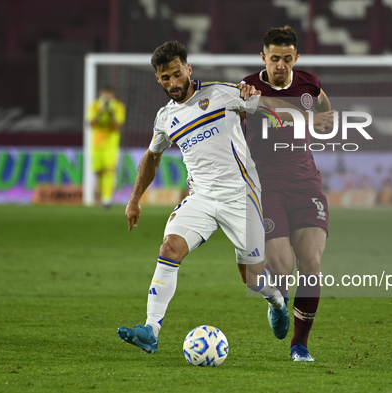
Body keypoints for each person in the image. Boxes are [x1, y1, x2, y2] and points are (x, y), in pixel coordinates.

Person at [116, 41, 291, 354]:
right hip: (202, 197)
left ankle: (277, 301)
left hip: (242, 195)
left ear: (188, 69)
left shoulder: (223, 93)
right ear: (157, 78)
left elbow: (267, 108)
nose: (173, 82)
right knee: (170, 246)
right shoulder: (165, 118)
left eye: (177, 74)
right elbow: (152, 158)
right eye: (165, 77)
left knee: (251, 279)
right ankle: (151, 329)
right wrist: (134, 199)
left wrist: (260, 103)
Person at [242, 26, 332, 362]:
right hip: (265, 186)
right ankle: (276, 299)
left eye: (287, 58)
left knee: (311, 264)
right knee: (282, 267)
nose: (281, 64)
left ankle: (300, 345)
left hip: (306, 184)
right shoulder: (248, 87)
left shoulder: (309, 83)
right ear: (263, 57)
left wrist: (323, 117)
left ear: (296, 58)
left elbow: (322, 103)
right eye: (275, 58)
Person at [86, 86, 126, 209]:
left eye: (109, 95)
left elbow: (118, 127)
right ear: (100, 94)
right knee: (98, 172)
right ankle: (103, 196)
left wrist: (111, 113)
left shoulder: (118, 107)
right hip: (96, 145)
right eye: (105, 95)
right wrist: (101, 111)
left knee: (109, 170)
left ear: (113, 95)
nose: (107, 97)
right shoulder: (94, 106)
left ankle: (107, 199)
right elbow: (91, 124)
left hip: (111, 145)